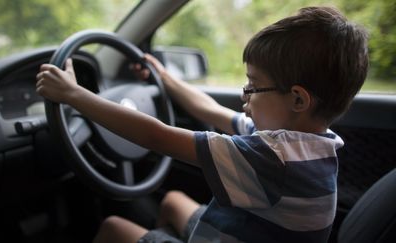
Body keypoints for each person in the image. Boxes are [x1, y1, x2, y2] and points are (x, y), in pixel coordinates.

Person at [36, 6, 368, 243]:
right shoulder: (308, 143)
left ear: (298, 100)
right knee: (172, 200)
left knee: (113, 228)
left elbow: (157, 135)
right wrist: (164, 78)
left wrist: (74, 95)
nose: (245, 94)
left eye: (253, 85)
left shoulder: (272, 158)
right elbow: (211, 111)